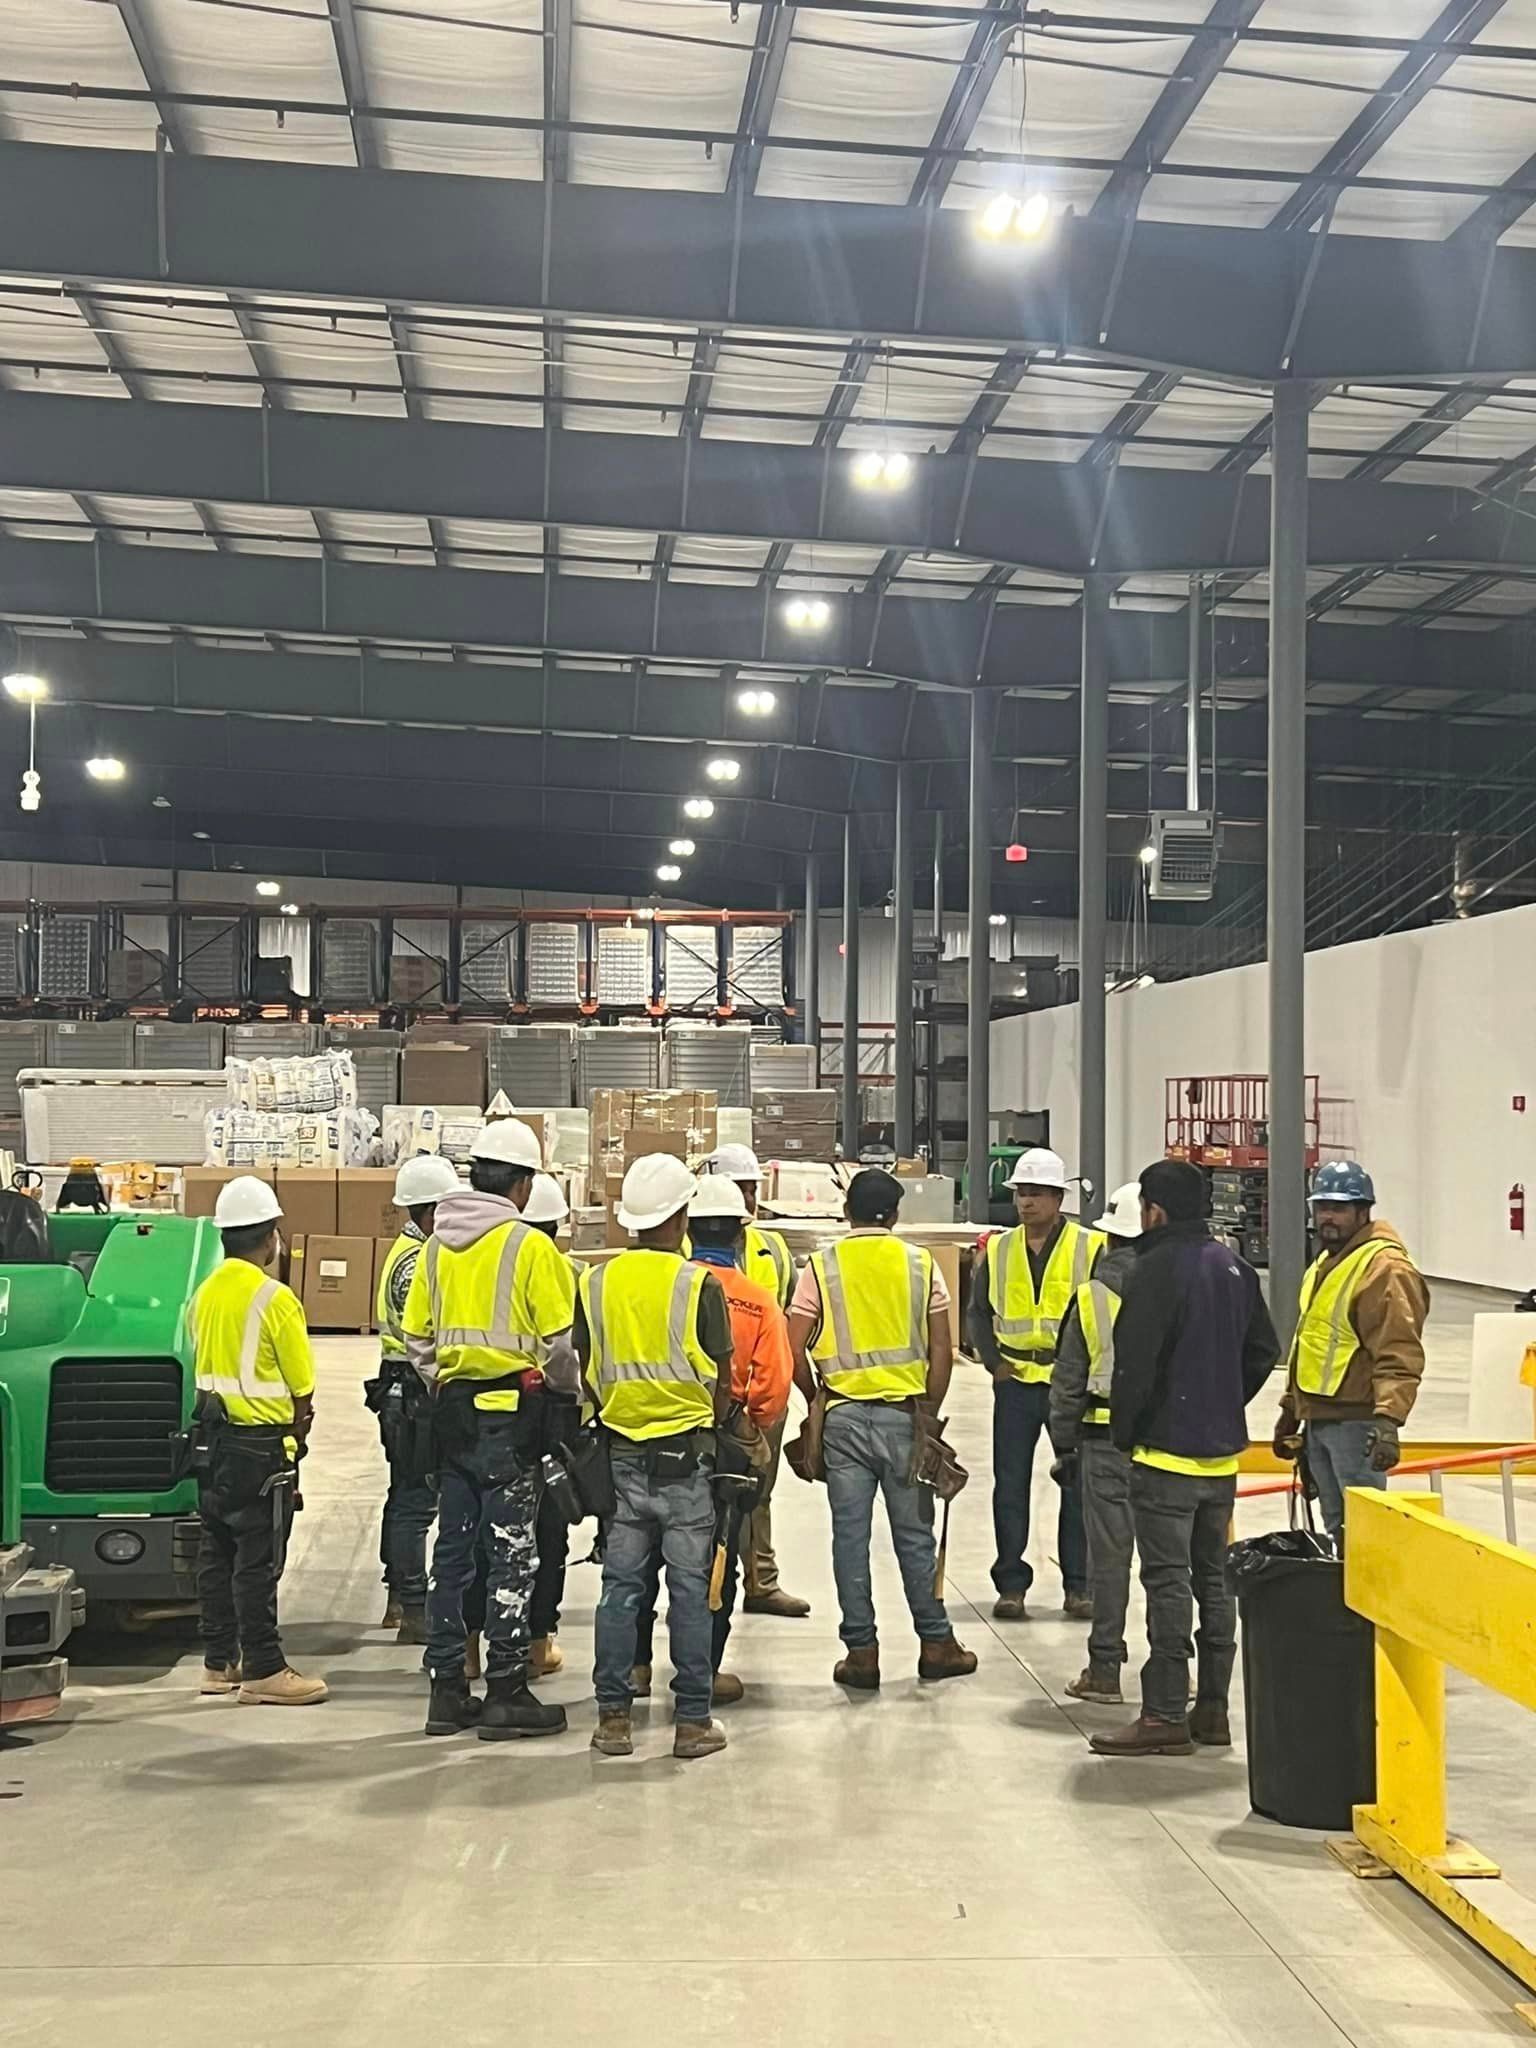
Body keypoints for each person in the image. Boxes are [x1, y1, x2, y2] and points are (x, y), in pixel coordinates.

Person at [1090, 1159, 1279, 1758]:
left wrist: (1128, 1431)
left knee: (1167, 1582)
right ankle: (1214, 1711)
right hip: (1221, 1460)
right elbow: (1262, 1352)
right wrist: (1222, 1405)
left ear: (1155, 1211)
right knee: (1215, 1585)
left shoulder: (1155, 1269)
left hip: (1166, 1459)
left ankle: (1164, 1712)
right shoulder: (1234, 1267)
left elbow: (1135, 1364)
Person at [404, 1119, 576, 1743]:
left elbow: (415, 1336)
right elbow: (559, 1344)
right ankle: (506, 1688)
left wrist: (445, 1383)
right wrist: (565, 1396)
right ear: (523, 1184)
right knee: (510, 1553)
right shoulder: (528, 1247)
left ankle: (446, 1688)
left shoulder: (434, 1248)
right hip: (511, 1418)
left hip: (453, 1417)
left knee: (453, 1551)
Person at [789, 1167, 976, 1690]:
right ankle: (936, 1643)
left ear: (847, 1212)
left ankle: (862, 1653)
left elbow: (793, 1341)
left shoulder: (821, 1266)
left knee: (850, 1538)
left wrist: (815, 1397)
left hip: (843, 1419)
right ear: (895, 1215)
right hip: (904, 1417)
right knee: (914, 1537)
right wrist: (928, 1410)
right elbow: (943, 1347)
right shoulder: (919, 1265)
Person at [579, 1153, 736, 1761]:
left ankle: (613, 1720)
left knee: (620, 1589)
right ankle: (691, 1723)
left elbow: (586, 1371)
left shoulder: (593, 1281)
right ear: (682, 1217)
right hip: (686, 1460)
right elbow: (722, 1380)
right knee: (691, 1592)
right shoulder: (699, 1285)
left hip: (620, 1457)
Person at [632, 1174, 793, 1706]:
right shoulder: (758, 1301)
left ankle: (635, 1668)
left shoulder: (667, 1285)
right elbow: (772, 1389)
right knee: (713, 1561)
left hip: (650, 1431)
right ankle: (703, 1674)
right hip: (726, 1447)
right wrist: (753, 1429)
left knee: (641, 1560)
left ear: (686, 1229)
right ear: (741, 1236)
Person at [190, 1175, 327, 1706]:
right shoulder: (275, 1298)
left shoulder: (204, 1294)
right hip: (260, 1447)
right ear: (270, 1235)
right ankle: (266, 1669)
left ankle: (219, 1661)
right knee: (257, 1560)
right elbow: (301, 1386)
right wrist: (297, 1433)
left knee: (216, 1553)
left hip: (213, 1443)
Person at [968, 1146, 1105, 1621]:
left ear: (1058, 1198)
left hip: (1070, 1386)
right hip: (1016, 1384)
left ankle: (1079, 1584)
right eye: (1022, 1194)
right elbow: (978, 1313)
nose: (1027, 1203)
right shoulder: (1000, 1249)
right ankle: (1011, 1583)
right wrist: (993, 1363)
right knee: (1010, 1485)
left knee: (1077, 1484)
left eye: (1037, 1194)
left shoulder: (1091, 1247)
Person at [1272, 1161, 1428, 1539]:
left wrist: (1388, 1421)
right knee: (1335, 1529)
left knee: (1364, 1532)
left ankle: (1365, 1600)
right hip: (1321, 1419)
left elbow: (1398, 1351)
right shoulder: (1326, 1263)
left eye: (1339, 1208)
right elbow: (1309, 1344)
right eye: (1322, 1206)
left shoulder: (1384, 1269)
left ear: (1363, 1211)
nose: (1327, 1216)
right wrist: (1292, 1411)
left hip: (1357, 1424)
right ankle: (1339, 1599)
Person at [705, 1142, 809, 1620]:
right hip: (708, 1400)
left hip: (762, 1396)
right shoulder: (690, 1247)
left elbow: (785, 1317)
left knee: (758, 1493)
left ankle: (761, 1583)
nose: (748, 1198)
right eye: (739, 1188)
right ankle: (707, 1586)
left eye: (751, 1188)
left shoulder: (774, 1248)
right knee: (705, 1499)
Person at [1048, 1181, 1141, 1706]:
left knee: (1109, 1562)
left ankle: (1104, 1669)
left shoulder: (1091, 1296)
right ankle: (1176, 1673)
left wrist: (1064, 1446)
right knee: (1169, 1565)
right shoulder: (1177, 1288)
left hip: (1102, 1444)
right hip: (1165, 1446)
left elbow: (1067, 1382)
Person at [371, 1153, 461, 1644]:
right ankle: (411, 1607)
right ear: (427, 1212)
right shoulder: (417, 1262)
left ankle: (397, 1598)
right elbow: (424, 1334)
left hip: (401, 1386)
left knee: (404, 1493)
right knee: (415, 1500)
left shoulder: (410, 1252)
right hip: (412, 1388)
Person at [520, 1171, 578, 1677]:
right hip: (545, 1413)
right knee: (548, 1525)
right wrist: (570, 1392)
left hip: (478, 1409)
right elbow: (562, 1349)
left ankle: (470, 1647)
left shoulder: (481, 1256)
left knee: (477, 1531)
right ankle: (538, 1643)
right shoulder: (557, 1269)